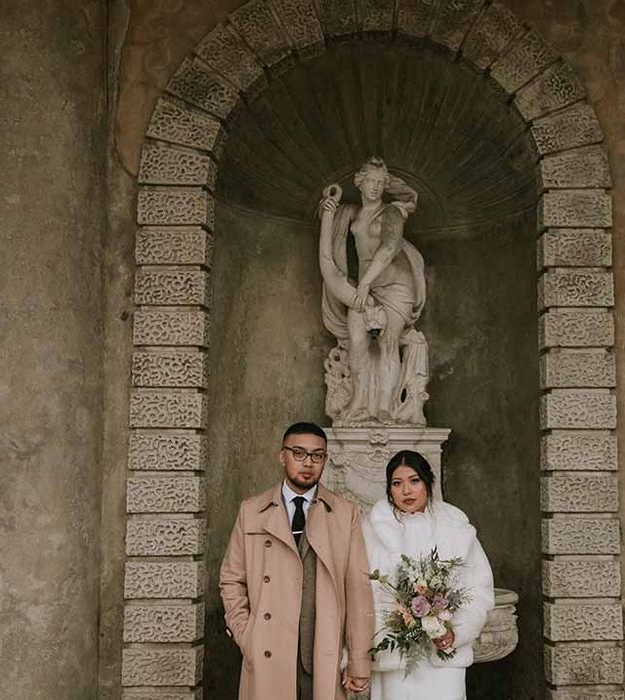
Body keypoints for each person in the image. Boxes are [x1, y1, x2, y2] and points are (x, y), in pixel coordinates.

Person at [219, 421, 375, 700]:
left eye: (317, 456)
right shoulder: (252, 511)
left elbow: (358, 590)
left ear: (325, 460)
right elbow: (232, 579)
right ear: (282, 456)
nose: (308, 463)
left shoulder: (344, 513)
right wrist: (248, 636)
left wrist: (359, 661)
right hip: (269, 651)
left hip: (322, 653)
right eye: (299, 453)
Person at [362, 450, 494, 700]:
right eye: (397, 483)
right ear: (389, 489)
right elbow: (361, 593)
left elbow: (480, 591)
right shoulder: (370, 532)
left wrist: (455, 632)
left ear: (428, 483)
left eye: (414, 481)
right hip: (394, 658)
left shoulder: (457, 530)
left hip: (442, 658)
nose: (406, 491)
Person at [319, 157, 428, 425]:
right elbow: (329, 247)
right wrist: (329, 211)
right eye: (371, 181)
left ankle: (383, 408)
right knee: (357, 340)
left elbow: (389, 248)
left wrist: (365, 282)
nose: (376, 187)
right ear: (360, 182)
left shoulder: (391, 213)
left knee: (388, 341)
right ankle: (358, 401)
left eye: (381, 182)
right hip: (366, 287)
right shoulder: (353, 213)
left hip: (396, 285)